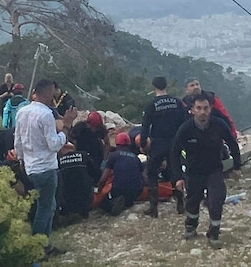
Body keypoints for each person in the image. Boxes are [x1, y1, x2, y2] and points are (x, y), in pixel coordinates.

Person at [14, 78, 77, 259]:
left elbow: (18, 140)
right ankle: (38, 247)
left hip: (30, 166)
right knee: (45, 208)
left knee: (47, 205)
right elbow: (54, 144)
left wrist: (21, 159)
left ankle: (45, 244)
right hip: (46, 168)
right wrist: (65, 127)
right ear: (49, 94)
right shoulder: (46, 115)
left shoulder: (22, 112)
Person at [172, 92, 241, 247]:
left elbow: (232, 144)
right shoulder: (185, 129)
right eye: (199, 108)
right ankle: (191, 226)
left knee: (216, 200)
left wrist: (237, 166)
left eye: (206, 108)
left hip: (214, 169)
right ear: (192, 110)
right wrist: (178, 177)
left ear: (210, 109)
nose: (202, 112)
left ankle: (214, 233)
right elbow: (174, 152)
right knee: (193, 201)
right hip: (193, 171)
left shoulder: (219, 125)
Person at [140, 76, 189, 218]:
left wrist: (143, 144)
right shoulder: (177, 102)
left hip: (158, 143)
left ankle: (153, 208)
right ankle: (180, 203)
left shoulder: (151, 105)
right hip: (174, 142)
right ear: (166, 85)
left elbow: (145, 128)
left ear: (154, 86)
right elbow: (184, 123)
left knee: (152, 173)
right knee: (176, 171)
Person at [96, 133, 145, 216]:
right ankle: (127, 203)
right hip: (136, 191)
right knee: (128, 198)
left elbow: (104, 178)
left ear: (117, 144)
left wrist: (99, 190)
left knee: (103, 204)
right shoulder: (135, 158)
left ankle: (114, 206)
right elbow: (143, 177)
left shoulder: (113, 156)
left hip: (119, 189)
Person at [57, 142, 101, 220]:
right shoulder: (83, 155)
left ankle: (68, 215)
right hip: (86, 199)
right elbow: (96, 173)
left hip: (67, 200)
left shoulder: (58, 161)